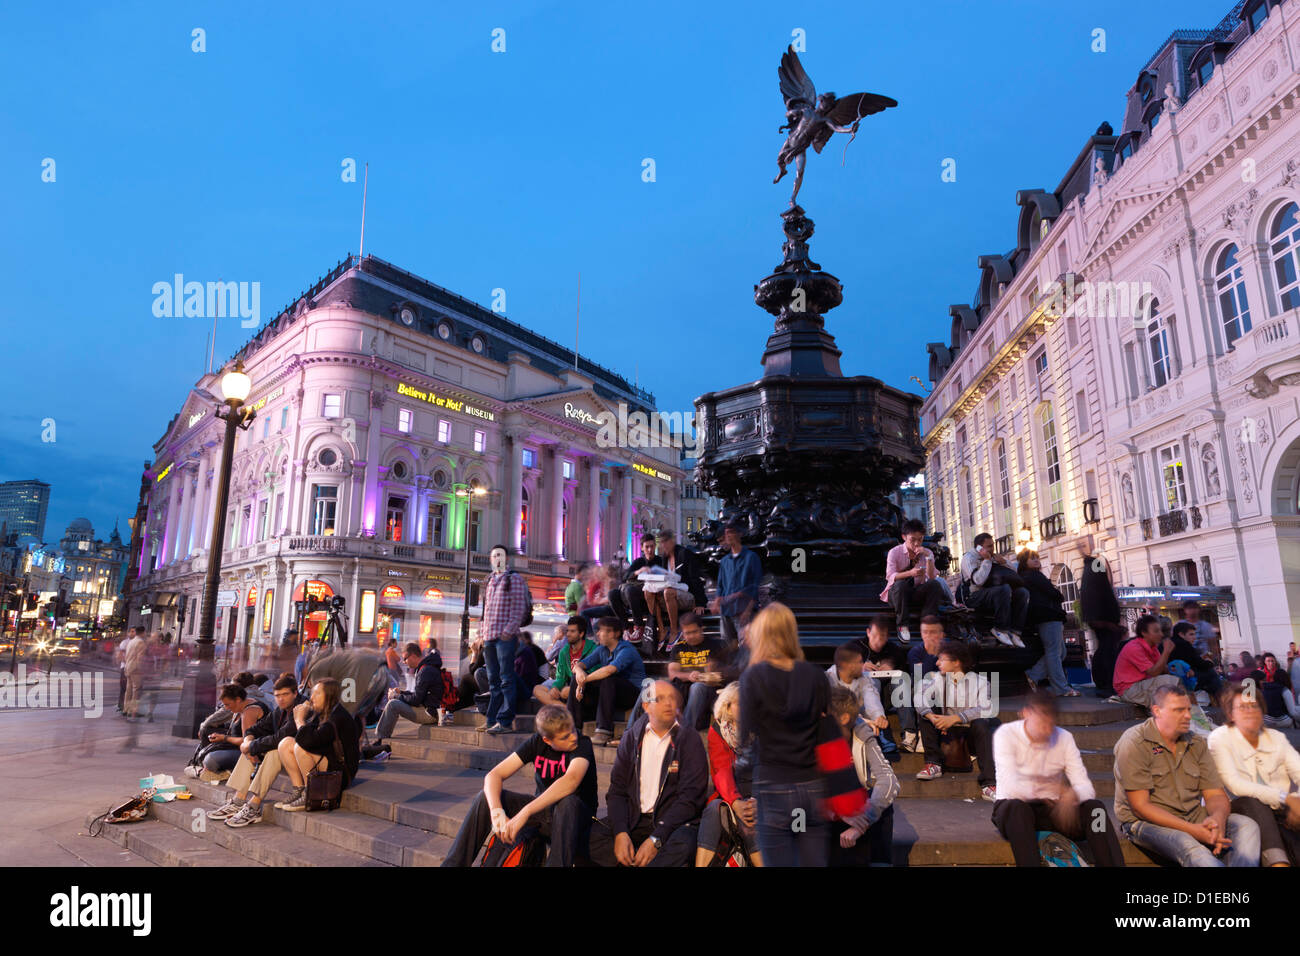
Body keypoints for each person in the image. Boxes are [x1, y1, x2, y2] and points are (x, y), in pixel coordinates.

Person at [1113, 682, 1260, 867]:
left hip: (1192, 815)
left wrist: (1217, 821)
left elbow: (1215, 794)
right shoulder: (1134, 742)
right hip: (1145, 823)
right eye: (1179, 710)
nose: (1188, 716)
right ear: (1157, 711)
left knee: (1247, 826)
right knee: (1190, 846)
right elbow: (1140, 807)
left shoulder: (1196, 743)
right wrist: (1193, 830)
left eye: (1188, 709)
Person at [442, 705, 597, 867]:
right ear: (547, 740)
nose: (573, 737)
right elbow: (494, 775)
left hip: (577, 820)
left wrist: (525, 812)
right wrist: (497, 813)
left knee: (568, 802)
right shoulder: (537, 742)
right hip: (545, 816)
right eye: (565, 737)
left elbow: (571, 780)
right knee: (485, 797)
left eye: (573, 730)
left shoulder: (582, 743)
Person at [738, 602, 830, 867]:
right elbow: (823, 724)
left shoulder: (753, 677)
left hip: (773, 783)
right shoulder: (815, 676)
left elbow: (745, 735)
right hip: (812, 783)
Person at [992, 690, 1125, 866]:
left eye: (1050, 725)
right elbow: (1011, 787)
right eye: (1041, 723)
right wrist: (1054, 790)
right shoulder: (1006, 734)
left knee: (1096, 809)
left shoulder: (1064, 738)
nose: (1046, 731)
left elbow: (1086, 787)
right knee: (1018, 809)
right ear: (1026, 713)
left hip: (1057, 810)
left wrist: (1073, 795)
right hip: (1015, 811)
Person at [587, 680, 709, 867]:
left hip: (671, 823)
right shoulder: (632, 737)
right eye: (659, 699)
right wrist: (620, 832)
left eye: (672, 698)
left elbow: (691, 799)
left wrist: (656, 839)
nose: (668, 703)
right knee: (588, 836)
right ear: (646, 706)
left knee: (684, 844)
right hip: (634, 819)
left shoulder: (688, 738)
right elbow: (617, 790)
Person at [1207, 682, 1300, 866]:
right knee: (1255, 804)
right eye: (1242, 707)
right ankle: (1278, 864)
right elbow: (1236, 785)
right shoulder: (1220, 738)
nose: (1250, 711)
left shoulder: (1275, 737)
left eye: (1254, 706)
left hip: (1277, 808)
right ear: (1231, 714)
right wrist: (1287, 798)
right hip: (1240, 807)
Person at [208, 675, 306, 828]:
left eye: (285, 694)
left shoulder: (301, 707)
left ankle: (254, 806)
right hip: (287, 755)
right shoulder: (280, 711)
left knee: (272, 750)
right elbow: (255, 729)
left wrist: (250, 746)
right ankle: (239, 800)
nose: (281, 699)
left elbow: (280, 737)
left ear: (295, 693)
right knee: (252, 748)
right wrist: (248, 741)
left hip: (305, 759)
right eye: (277, 696)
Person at [915, 640, 1000, 800]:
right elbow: (919, 697)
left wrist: (955, 718)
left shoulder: (981, 682)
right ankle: (934, 764)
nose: (937, 662)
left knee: (982, 723)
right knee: (926, 711)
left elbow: (986, 708)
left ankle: (989, 783)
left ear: (956, 663)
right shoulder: (938, 679)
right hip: (948, 734)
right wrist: (931, 716)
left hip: (971, 735)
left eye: (942, 659)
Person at [827, 685, 899, 866]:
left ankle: (880, 862)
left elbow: (889, 781)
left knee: (882, 803)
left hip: (854, 808)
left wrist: (864, 821)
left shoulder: (860, 731)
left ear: (844, 718)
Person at [1112, 616, 1217, 739]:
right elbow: (1154, 672)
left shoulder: (1153, 647)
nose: (1161, 634)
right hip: (1129, 689)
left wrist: (1184, 670)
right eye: (1156, 631)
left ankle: (1200, 720)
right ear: (1144, 633)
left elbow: (1165, 669)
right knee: (1171, 682)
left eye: (1161, 630)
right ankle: (1190, 723)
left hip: (1146, 684)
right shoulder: (1134, 648)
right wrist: (1166, 652)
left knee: (1181, 681)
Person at [695, 682, 761, 867]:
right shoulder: (718, 731)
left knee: (750, 819)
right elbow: (721, 770)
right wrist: (735, 802)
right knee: (714, 809)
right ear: (728, 707)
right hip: (730, 796)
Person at [273, 676, 361, 812]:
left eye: (317, 693)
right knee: (285, 743)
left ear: (329, 696)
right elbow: (309, 737)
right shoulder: (322, 712)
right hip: (327, 761)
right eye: (311, 693)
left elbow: (308, 742)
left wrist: (299, 720)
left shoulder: (337, 717)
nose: (311, 697)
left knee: (300, 748)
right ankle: (300, 791)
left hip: (341, 773)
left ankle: (311, 794)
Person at [568, 617, 647, 746]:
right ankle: (573, 729)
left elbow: (609, 670)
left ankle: (604, 731)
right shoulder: (602, 649)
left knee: (608, 679)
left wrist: (584, 680)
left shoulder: (627, 650)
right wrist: (580, 673)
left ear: (614, 634)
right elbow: (578, 665)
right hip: (608, 695)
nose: (598, 634)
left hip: (631, 695)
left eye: (601, 631)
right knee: (575, 679)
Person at [480, 544, 531, 735]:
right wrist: (481, 633)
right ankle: (492, 719)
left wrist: (508, 631)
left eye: (500, 556)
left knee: (506, 678)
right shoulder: (490, 580)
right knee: (493, 680)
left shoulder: (513, 579)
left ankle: (505, 720)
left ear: (506, 559)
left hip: (504, 638)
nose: (497, 559)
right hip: (489, 637)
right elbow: (486, 611)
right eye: (494, 556)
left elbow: (519, 608)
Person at [1017, 550, 1078, 697]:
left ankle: (1033, 675)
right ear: (1025, 562)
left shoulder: (1028, 576)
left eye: (1037, 557)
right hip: (1048, 616)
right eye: (1032, 558)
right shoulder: (1034, 576)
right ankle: (1061, 688)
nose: (1036, 560)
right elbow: (1053, 593)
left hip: (1045, 616)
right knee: (1053, 653)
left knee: (1060, 652)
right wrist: (1058, 595)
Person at [370, 641, 444, 757]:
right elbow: (419, 694)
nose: (404, 662)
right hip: (429, 708)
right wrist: (402, 692)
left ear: (413, 656)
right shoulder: (426, 667)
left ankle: (380, 739)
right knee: (394, 702)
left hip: (429, 713)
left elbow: (416, 700)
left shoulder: (425, 670)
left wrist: (396, 696)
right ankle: (381, 738)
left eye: (405, 659)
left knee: (393, 704)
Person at [880, 519, 944, 642]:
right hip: (897, 594)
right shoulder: (894, 552)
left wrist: (929, 557)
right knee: (900, 585)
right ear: (904, 537)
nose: (916, 543)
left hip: (915, 592)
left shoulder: (927, 552)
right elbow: (890, 576)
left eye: (920, 539)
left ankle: (927, 624)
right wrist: (910, 573)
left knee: (934, 585)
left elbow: (931, 577)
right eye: (912, 540)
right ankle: (902, 626)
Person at [959, 532, 1027, 646]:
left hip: (992, 592)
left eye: (993, 545)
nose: (992, 549)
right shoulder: (969, 558)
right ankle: (1000, 628)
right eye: (989, 546)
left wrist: (1004, 562)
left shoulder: (993, 556)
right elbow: (978, 580)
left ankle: (1015, 631)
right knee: (1003, 589)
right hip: (974, 595)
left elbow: (1014, 574)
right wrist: (986, 561)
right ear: (979, 547)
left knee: (1022, 592)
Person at [644, 530, 706, 650]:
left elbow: (695, 578)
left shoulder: (684, 554)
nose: (663, 545)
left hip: (687, 595)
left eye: (665, 542)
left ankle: (674, 631)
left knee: (668, 591)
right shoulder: (664, 558)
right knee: (648, 591)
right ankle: (662, 630)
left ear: (672, 541)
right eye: (661, 543)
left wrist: (700, 603)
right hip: (671, 594)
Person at [666, 613, 729, 731]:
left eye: (694, 632)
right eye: (687, 633)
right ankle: (633, 732)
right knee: (652, 686)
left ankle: (685, 732)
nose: (691, 636)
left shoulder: (716, 645)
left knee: (697, 687)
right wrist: (688, 676)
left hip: (710, 691)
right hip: (684, 693)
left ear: (702, 629)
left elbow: (726, 674)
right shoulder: (678, 648)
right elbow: (672, 674)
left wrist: (711, 673)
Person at [1077, 538, 1123, 697]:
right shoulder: (1095, 567)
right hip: (1103, 619)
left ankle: (1105, 683)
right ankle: (1106, 684)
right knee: (1107, 651)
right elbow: (1099, 594)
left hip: (1101, 618)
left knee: (1104, 650)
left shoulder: (1090, 568)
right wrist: (1106, 622)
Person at [197, 683, 267, 781]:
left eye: (227, 704)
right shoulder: (240, 708)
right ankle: (209, 769)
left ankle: (223, 772)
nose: (226, 708)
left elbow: (246, 742)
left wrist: (224, 738)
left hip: (250, 753)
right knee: (205, 739)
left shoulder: (249, 712)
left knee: (210, 759)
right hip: (236, 747)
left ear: (238, 700)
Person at [898, 615, 944, 753]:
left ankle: (924, 735)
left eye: (932, 632)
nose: (928, 636)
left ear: (941, 634)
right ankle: (910, 734)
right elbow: (919, 674)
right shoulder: (915, 652)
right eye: (925, 632)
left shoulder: (947, 651)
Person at [711, 524, 761, 645]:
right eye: (726, 533)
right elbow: (721, 585)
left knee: (747, 646)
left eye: (731, 532)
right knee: (729, 646)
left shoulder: (751, 557)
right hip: (726, 611)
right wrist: (717, 601)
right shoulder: (724, 561)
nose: (728, 536)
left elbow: (755, 586)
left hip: (743, 610)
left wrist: (748, 610)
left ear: (740, 534)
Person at [825, 643, 887, 739]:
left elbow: (871, 698)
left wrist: (879, 717)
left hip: (857, 725)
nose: (863, 665)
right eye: (859, 662)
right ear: (847, 665)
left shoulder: (863, 679)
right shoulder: (827, 680)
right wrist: (862, 721)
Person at [534, 617, 597, 707]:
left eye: (572, 631)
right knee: (537, 689)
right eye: (567, 631)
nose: (568, 634)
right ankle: (565, 709)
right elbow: (560, 677)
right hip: (567, 684)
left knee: (565, 692)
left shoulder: (593, 649)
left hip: (586, 686)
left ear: (581, 634)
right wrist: (555, 688)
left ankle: (566, 710)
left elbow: (593, 675)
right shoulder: (564, 651)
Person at [611, 534, 663, 643]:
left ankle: (639, 626)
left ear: (655, 546)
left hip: (649, 596)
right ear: (642, 548)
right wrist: (637, 572)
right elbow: (625, 577)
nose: (649, 549)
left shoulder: (661, 561)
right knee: (612, 594)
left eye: (652, 546)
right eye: (647, 547)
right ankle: (626, 628)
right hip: (632, 597)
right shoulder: (639, 562)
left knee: (630, 590)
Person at [1167, 622, 1223, 700]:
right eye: (1191, 634)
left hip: (1175, 676)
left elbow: (1193, 660)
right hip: (1183, 678)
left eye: (1194, 634)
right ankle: (1222, 700)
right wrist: (1209, 662)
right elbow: (1201, 664)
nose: (1195, 637)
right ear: (1181, 634)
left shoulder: (1170, 642)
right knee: (1211, 673)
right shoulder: (1184, 644)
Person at [123, 627, 150, 718]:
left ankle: (126, 709)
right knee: (136, 690)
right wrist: (142, 669)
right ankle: (133, 711)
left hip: (128, 667)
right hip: (136, 669)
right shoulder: (141, 643)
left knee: (129, 689)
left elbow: (127, 655)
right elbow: (140, 658)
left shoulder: (131, 641)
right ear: (142, 633)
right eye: (145, 632)